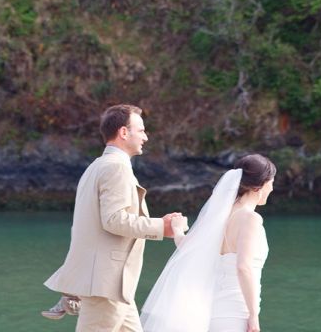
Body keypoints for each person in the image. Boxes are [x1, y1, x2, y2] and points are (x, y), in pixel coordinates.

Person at [41, 103, 185, 331]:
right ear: (124, 132)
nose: (146, 137)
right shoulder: (116, 168)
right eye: (141, 130)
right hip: (106, 283)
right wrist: (162, 227)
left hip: (112, 283)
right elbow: (114, 220)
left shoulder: (97, 166)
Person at [140, 153, 275, 332]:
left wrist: (178, 230)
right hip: (236, 313)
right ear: (259, 186)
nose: (272, 188)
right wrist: (253, 315)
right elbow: (244, 267)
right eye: (271, 182)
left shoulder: (219, 216)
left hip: (210, 311)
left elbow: (190, 248)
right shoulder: (250, 219)